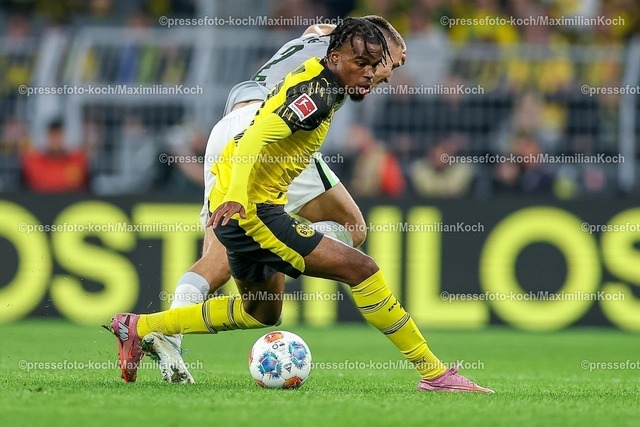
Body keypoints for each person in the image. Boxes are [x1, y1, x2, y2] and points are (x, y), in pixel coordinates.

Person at [107, 18, 493, 394]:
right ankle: (434, 373)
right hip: (253, 204)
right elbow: (255, 136)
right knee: (361, 268)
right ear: (347, 53)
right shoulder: (319, 94)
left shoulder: (329, 63)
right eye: (380, 62)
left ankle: (141, 327)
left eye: (378, 64)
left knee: (261, 311)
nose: (383, 73)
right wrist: (237, 195)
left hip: (247, 174)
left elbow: (318, 33)